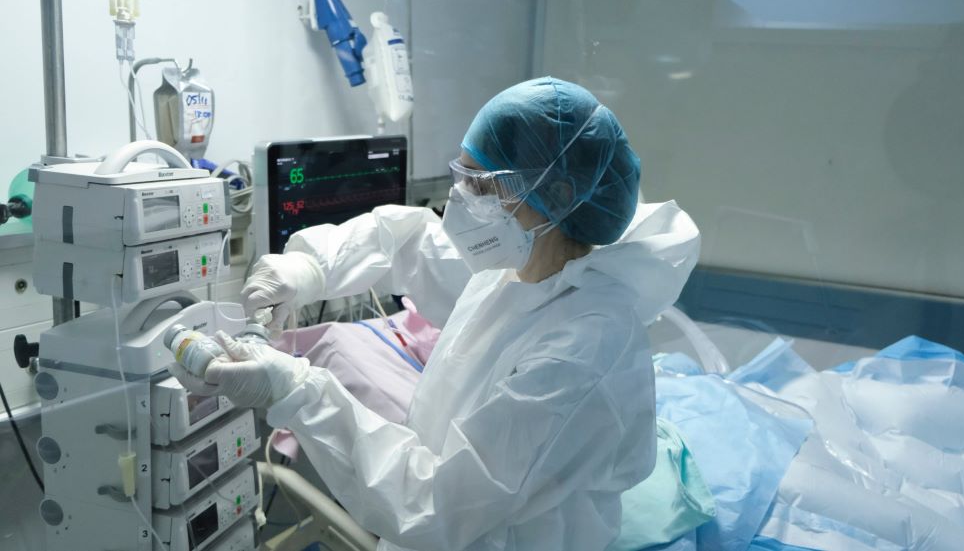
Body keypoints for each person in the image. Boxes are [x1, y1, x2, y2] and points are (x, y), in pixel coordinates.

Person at [170, 77, 701, 551]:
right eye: (461, 175)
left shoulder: (583, 350)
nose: (459, 199)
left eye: (481, 185)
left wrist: (295, 390)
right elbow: (409, 242)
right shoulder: (522, 267)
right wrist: (311, 266)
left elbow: (436, 504)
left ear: (556, 195)